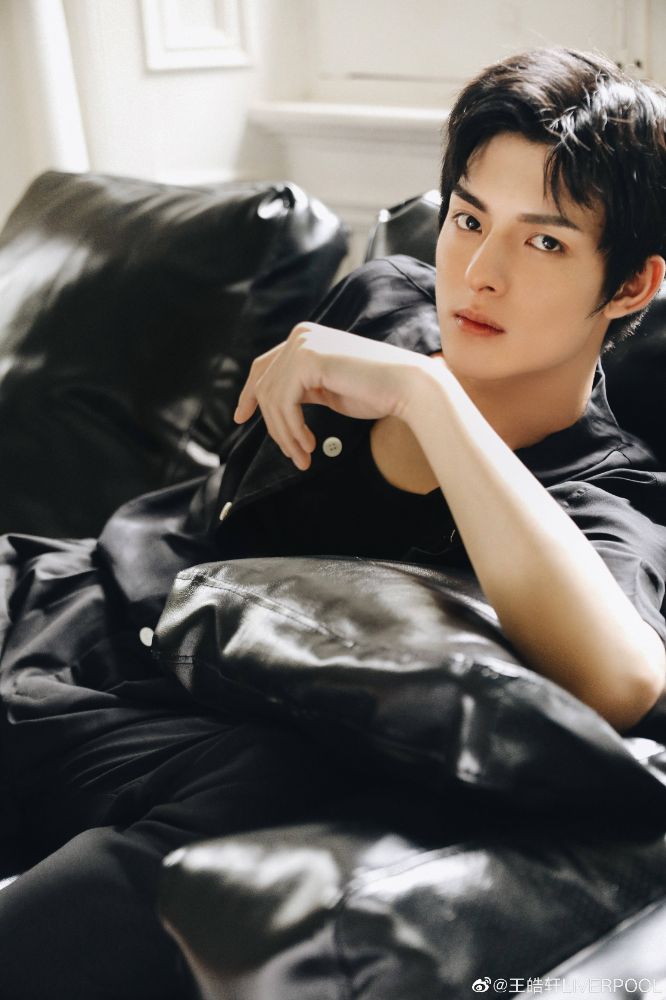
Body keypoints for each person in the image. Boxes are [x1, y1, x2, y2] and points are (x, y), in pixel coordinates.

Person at [1, 45, 666, 999]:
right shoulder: (381, 300)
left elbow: (623, 680)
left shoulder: (611, 496)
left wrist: (432, 398)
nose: (479, 273)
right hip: (59, 603)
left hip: (184, 753)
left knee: (242, 816)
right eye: (469, 218)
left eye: (545, 243)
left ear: (632, 285)